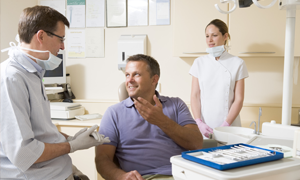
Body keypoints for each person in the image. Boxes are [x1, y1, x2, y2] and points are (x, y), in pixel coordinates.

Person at [0, 6, 109, 180]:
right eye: (61, 38)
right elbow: (24, 153)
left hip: (57, 168)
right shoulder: (11, 79)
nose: (63, 46)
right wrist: (72, 145)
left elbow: (40, 131)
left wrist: (70, 138)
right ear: (41, 36)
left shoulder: (33, 73)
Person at [95, 54, 203, 180]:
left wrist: (162, 121)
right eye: (127, 75)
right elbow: (102, 159)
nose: (129, 80)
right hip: (146, 177)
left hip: (185, 174)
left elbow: (197, 143)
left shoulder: (176, 104)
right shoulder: (113, 113)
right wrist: (122, 176)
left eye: (136, 74)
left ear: (154, 79)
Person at [189, 19, 249, 139]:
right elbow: (194, 96)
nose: (209, 40)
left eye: (214, 35)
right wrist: (198, 122)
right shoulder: (199, 63)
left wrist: (226, 124)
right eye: (207, 36)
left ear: (225, 36)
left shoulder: (238, 63)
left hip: (230, 127)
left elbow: (239, 99)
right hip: (205, 126)